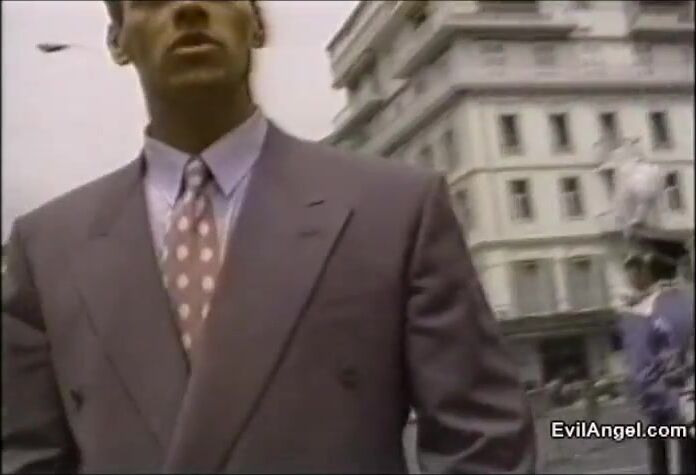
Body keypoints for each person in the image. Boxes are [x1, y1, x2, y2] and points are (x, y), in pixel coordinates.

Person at [1, 1, 535, 473]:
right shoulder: (46, 249)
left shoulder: (395, 210)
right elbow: (27, 455)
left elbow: (483, 443)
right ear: (117, 40)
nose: (189, 7)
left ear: (257, 25)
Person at [619, 235, 695, 475]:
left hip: (661, 393)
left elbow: (641, 362)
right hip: (682, 392)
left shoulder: (640, 309)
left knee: (661, 456)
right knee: (687, 453)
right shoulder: (684, 300)